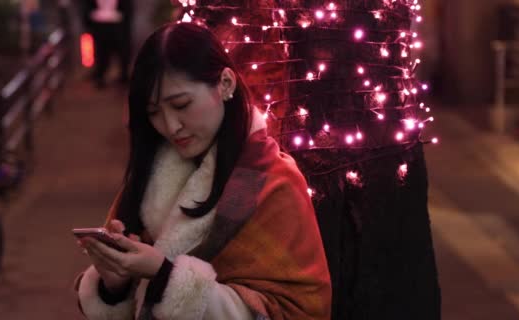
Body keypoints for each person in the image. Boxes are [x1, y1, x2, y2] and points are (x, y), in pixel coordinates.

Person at [74, 22, 332, 320]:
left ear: (225, 84)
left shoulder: (273, 182)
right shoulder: (150, 173)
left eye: (181, 105)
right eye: (154, 113)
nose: (171, 126)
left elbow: (299, 310)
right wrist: (114, 284)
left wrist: (164, 276)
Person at [81, 0, 133, 88]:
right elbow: (87, 12)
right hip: (100, 28)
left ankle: (123, 76)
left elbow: (127, 11)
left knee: (123, 53)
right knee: (102, 53)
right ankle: (100, 76)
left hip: (118, 29)